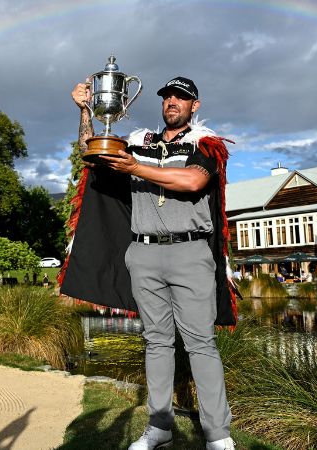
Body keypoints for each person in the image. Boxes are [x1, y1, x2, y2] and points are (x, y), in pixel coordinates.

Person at [61, 76, 237, 450]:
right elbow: (90, 152)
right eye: (167, 97)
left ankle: (217, 435)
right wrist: (85, 112)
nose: (172, 102)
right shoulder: (141, 144)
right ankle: (159, 427)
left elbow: (192, 182)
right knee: (155, 342)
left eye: (182, 97)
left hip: (190, 253)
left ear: (195, 105)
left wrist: (134, 169)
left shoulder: (205, 145)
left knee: (200, 343)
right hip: (143, 253)